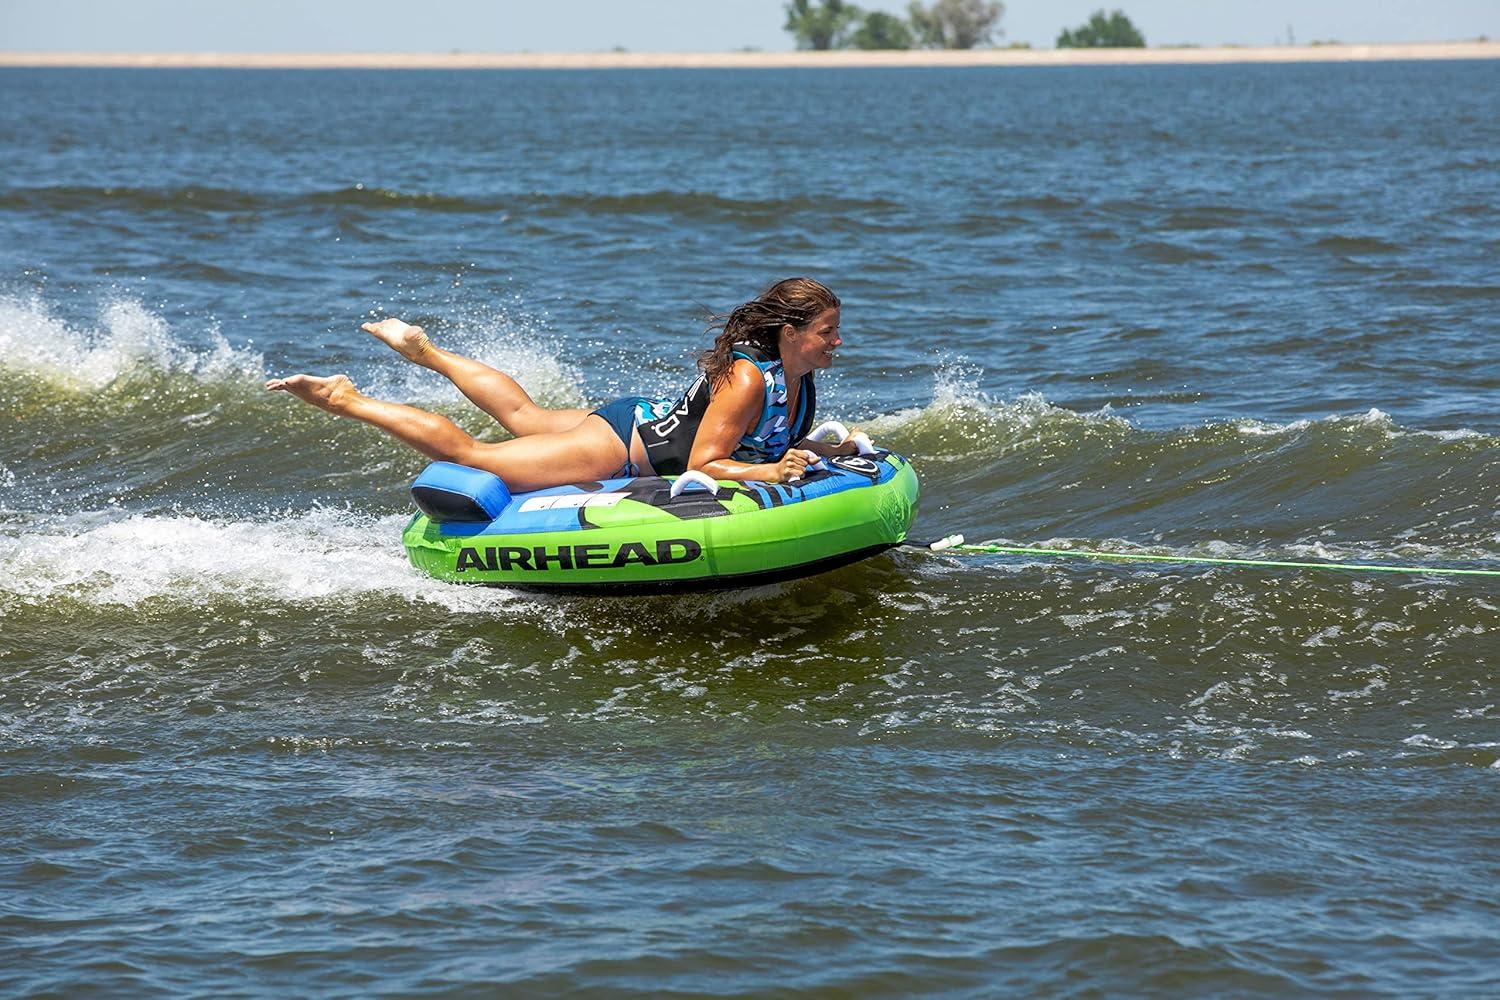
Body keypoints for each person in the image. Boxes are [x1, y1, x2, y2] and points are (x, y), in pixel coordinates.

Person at [266, 277, 864, 493]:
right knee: (478, 456)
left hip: (640, 418)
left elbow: (770, 437)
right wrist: (769, 473)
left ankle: (424, 350)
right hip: (621, 446)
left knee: (525, 415)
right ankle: (347, 398)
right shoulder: (746, 378)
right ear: (789, 331)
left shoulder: (798, 373)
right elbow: (707, 463)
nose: (837, 343)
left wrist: (820, 450)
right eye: (828, 332)